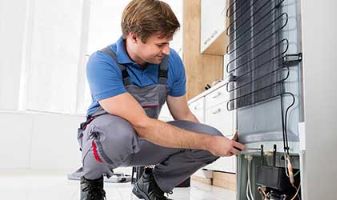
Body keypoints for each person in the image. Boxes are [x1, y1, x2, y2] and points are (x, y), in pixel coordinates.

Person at [77, 0, 245, 199]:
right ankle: (92, 182)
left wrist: (215, 143)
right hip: (108, 141)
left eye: (169, 42)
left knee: (209, 137)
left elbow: (183, 115)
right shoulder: (102, 62)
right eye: (160, 43)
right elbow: (141, 124)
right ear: (134, 37)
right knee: (120, 133)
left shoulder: (171, 61)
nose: (166, 50)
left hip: (145, 140)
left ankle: (152, 186)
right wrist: (208, 142)